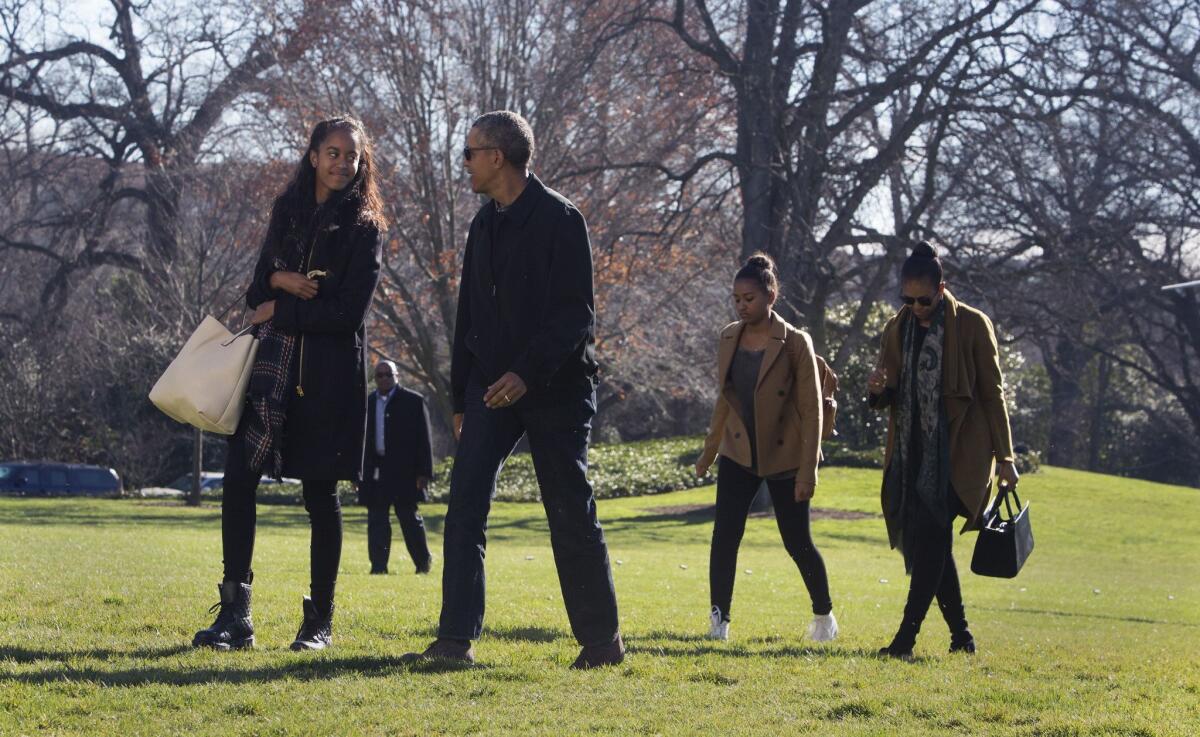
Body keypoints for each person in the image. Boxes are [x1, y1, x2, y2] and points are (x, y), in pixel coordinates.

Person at [405, 110, 623, 669]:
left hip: (555, 388)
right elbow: (469, 319)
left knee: (569, 508)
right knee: (464, 505)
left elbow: (575, 316)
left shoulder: (561, 220)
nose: (465, 163)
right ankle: (455, 640)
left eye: (470, 152)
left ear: (498, 156)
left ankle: (602, 644)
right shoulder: (484, 224)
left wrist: (526, 372)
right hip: (488, 391)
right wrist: (460, 399)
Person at [192, 115, 386, 652]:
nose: (342, 163)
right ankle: (235, 616)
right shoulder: (288, 211)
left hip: (325, 382)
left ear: (360, 161)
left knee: (321, 495)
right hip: (269, 373)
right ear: (312, 155)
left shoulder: (365, 228)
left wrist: (283, 308)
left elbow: (348, 315)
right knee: (238, 480)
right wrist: (277, 282)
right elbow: (254, 296)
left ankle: (318, 622)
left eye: (351, 155)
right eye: (332, 152)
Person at [867, 241, 1019, 659]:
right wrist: (878, 390)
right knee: (930, 545)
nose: (916, 306)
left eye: (924, 298)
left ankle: (904, 641)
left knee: (933, 538)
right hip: (912, 452)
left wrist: (1006, 458)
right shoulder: (897, 327)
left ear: (941, 287)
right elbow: (889, 390)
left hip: (961, 452)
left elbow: (993, 395)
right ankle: (962, 637)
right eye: (907, 298)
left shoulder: (972, 324)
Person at [695, 253, 837, 643]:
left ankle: (824, 616)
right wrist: (709, 452)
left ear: (770, 295)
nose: (742, 306)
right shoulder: (728, 336)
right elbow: (725, 398)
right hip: (739, 452)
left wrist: (808, 471)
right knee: (724, 536)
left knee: (797, 542)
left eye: (749, 298)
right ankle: (719, 621)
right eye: (736, 298)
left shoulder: (795, 342)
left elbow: (811, 411)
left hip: (785, 456)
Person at [361, 360, 434, 575]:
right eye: (379, 375)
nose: (384, 379)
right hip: (376, 471)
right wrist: (357, 474)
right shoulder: (368, 402)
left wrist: (424, 472)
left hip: (405, 472)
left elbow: (424, 440)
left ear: (397, 375)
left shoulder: (413, 401)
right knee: (377, 520)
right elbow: (361, 440)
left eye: (388, 374)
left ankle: (422, 562)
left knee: (409, 519)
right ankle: (378, 566)